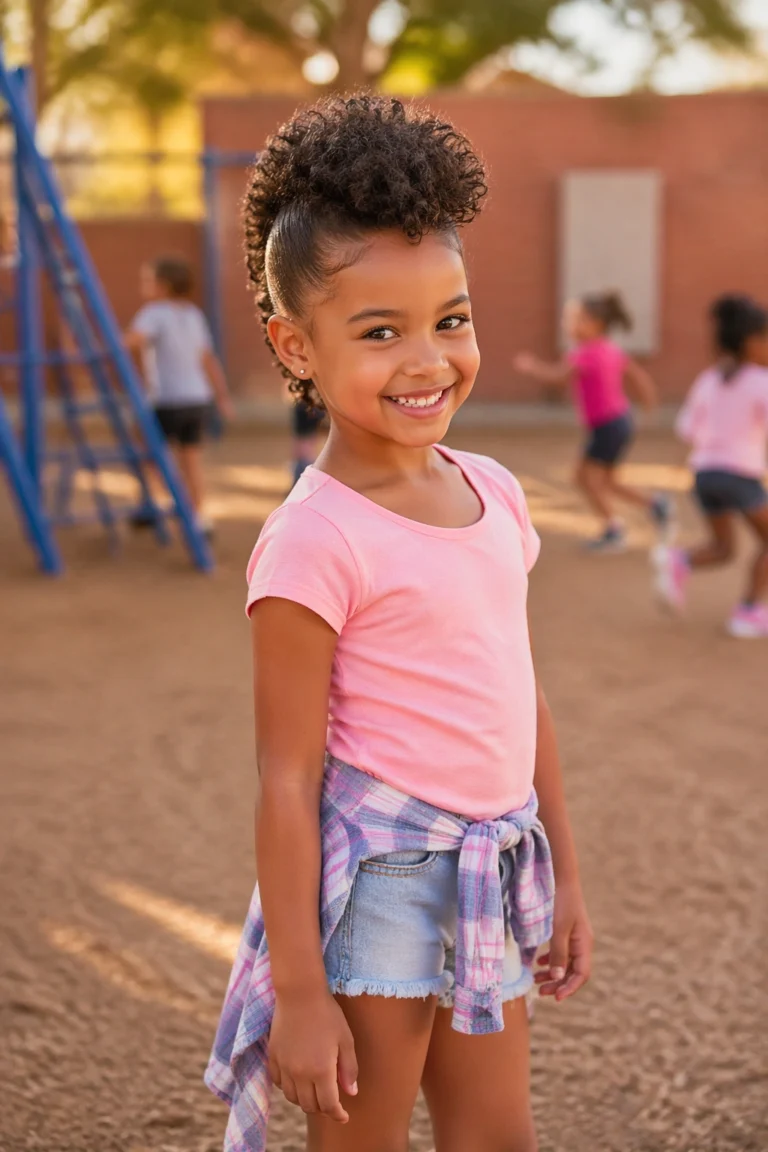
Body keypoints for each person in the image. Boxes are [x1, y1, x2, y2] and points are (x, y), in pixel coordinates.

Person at [205, 95, 593, 1152]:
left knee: (497, 1134)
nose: (428, 360)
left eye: (450, 320)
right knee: (362, 1139)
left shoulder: (494, 490)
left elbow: (520, 693)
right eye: (380, 332)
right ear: (296, 345)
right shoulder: (314, 539)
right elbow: (287, 776)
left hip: (493, 863)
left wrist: (562, 870)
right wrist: (300, 991)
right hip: (384, 883)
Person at [514, 293, 671, 552]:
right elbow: (639, 377)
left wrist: (532, 367)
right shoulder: (611, 349)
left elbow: (558, 377)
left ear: (596, 324)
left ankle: (614, 530)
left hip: (608, 426)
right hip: (619, 422)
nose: (570, 325)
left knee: (585, 477)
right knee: (606, 480)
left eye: (578, 319)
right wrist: (649, 403)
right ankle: (655, 505)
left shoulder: (584, 354)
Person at [654, 294, 768, 637]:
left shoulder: (708, 379)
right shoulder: (760, 381)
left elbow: (687, 429)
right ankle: (748, 612)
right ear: (749, 342)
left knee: (724, 549)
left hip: (704, 475)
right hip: (739, 476)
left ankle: (680, 561)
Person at [124, 256, 233, 535]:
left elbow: (133, 341)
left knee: (148, 452)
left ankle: (157, 501)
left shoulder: (154, 313)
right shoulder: (194, 315)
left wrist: (110, 342)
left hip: (168, 400)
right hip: (197, 399)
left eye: (149, 281)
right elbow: (207, 358)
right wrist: (222, 397)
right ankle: (198, 517)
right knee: (191, 460)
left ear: (164, 285)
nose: (144, 286)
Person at [291, 397, 326, 488]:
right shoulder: (306, 407)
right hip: (305, 435)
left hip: (306, 436)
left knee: (303, 455)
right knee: (304, 455)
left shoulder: (303, 406)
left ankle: (299, 483)